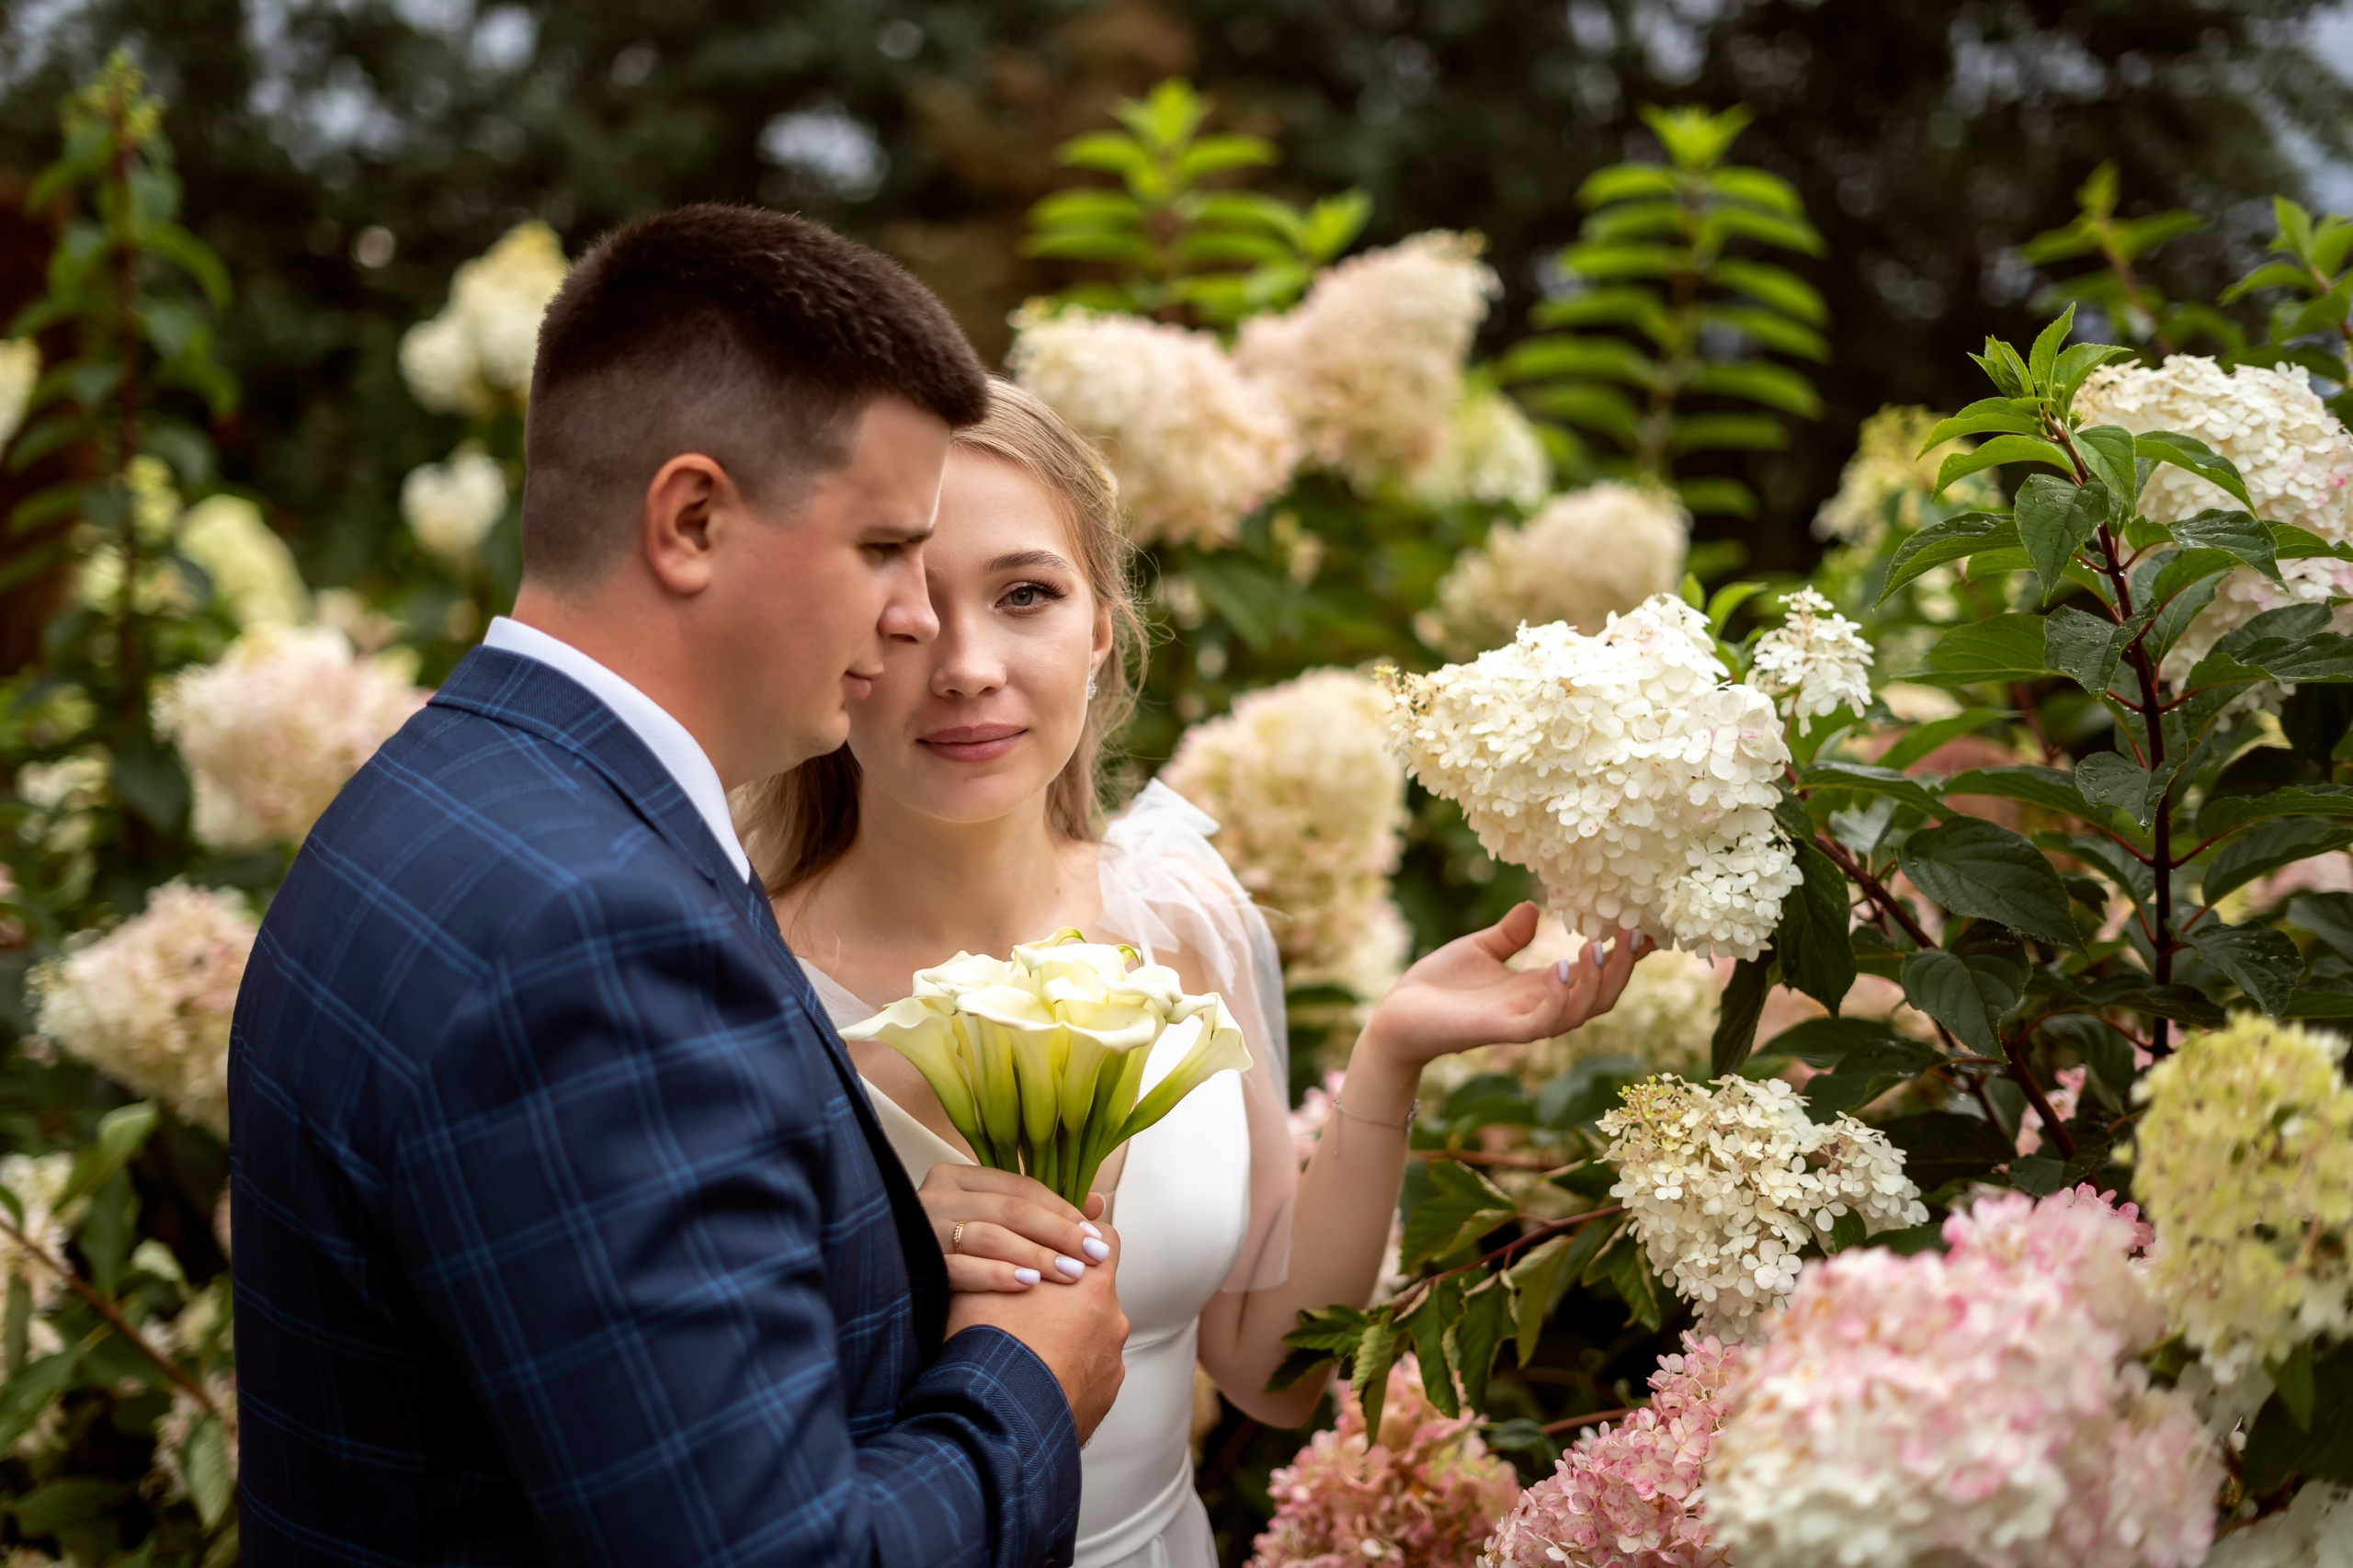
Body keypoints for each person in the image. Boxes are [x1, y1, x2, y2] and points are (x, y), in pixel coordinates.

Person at [230, 207, 1128, 1566]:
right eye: (886, 547)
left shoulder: (430, 792)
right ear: (692, 519)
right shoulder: (593, 933)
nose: (912, 621)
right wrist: (1024, 1383)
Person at [737, 381, 1646, 1568]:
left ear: (1102, 624)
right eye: (905, 606)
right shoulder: (738, 981)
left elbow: (1272, 1369)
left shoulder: (1181, 916)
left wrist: (1390, 1058)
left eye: (1026, 595)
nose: (965, 664)